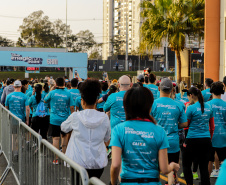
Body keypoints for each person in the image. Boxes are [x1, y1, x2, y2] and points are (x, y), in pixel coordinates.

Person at [110, 87, 180, 185]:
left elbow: (116, 165)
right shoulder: (159, 131)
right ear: (150, 106)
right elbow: (164, 169)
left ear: (126, 105)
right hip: (152, 182)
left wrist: (113, 183)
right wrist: (172, 166)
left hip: (128, 182)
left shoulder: (118, 130)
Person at [61, 79, 111, 178]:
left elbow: (63, 127)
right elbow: (107, 138)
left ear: (82, 101)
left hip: (77, 161)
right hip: (98, 162)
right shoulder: (104, 118)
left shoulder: (75, 116)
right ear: (96, 101)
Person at [151, 78, 188, 185]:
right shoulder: (178, 104)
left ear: (159, 88)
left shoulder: (153, 104)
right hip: (173, 142)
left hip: (156, 142)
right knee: (171, 171)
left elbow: (148, 122)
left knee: (156, 171)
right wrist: (175, 124)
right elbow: (185, 124)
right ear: (172, 90)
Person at [182, 87, 214, 185]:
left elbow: (186, 125)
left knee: (186, 165)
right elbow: (212, 127)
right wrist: (209, 139)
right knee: (203, 167)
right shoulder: (209, 107)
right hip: (206, 140)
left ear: (191, 95)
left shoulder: (191, 108)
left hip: (192, 140)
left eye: (188, 96)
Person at [44, 78, 74, 164]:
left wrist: (52, 90)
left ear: (56, 84)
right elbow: (72, 107)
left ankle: (56, 159)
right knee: (64, 140)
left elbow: (45, 100)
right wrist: (72, 117)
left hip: (54, 120)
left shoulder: (52, 92)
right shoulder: (68, 93)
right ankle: (65, 160)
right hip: (65, 119)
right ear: (64, 83)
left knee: (55, 139)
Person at [207, 82, 226, 177]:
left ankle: (206, 182)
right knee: (224, 161)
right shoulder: (225, 105)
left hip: (209, 136)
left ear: (211, 91)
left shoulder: (207, 105)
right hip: (223, 136)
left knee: (209, 160)